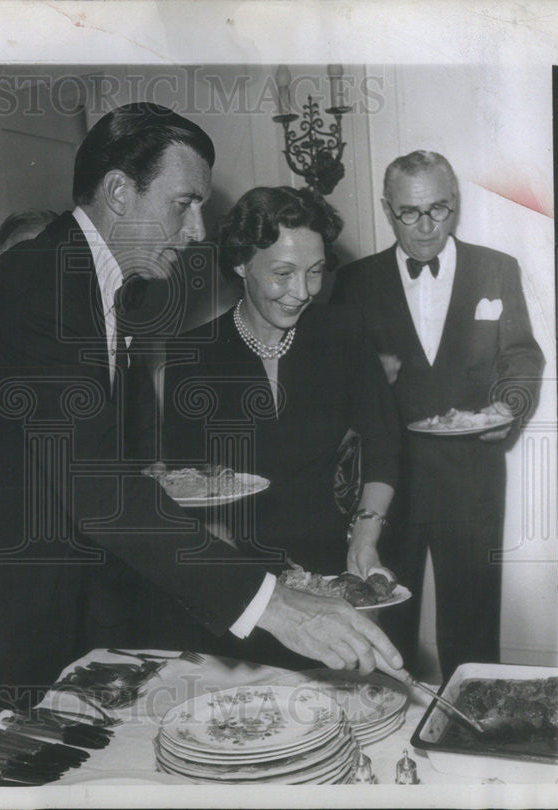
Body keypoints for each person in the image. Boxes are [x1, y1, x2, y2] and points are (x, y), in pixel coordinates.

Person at [0, 103, 403, 777]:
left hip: (24, 618)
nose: (197, 229)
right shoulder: (39, 287)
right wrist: (272, 602)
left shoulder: (91, 291)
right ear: (119, 192)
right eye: (182, 204)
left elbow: (94, 480)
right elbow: (98, 492)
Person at [159, 186, 401, 668]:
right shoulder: (194, 356)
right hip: (239, 589)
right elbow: (190, 491)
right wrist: (248, 587)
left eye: (314, 273)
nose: (303, 292)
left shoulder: (343, 333)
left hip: (335, 576)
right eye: (283, 273)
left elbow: (384, 444)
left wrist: (365, 537)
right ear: (240, 265)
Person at [330, 150, 544, 681]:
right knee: (382, 631)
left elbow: (521, 355)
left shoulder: (497, 268)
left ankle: (473, 749)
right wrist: (364, 373)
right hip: (388, 486)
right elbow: (330, 379)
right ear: (386, 209)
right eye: (409, 212)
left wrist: (509, 405)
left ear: (456, 205)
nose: (425, 226)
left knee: (473, 637)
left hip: (471, 482)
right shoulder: (356, 281)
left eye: (439, 209)